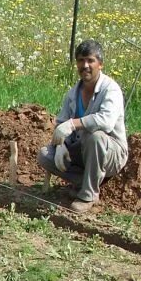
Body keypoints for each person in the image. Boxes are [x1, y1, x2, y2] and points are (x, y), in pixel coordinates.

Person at [37, 39, 128, 214]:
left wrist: (73, 124)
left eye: (90, 60)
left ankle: (88, 195)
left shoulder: (111, 90)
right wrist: (61, 145)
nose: (85, 65)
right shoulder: (73, 93)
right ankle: (84, 181)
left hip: (111, 152)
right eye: (80, 60)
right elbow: (61, 122)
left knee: (95, 136)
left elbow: (106, 122)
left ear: (100, 64)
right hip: (82, 148)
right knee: (45, 155)